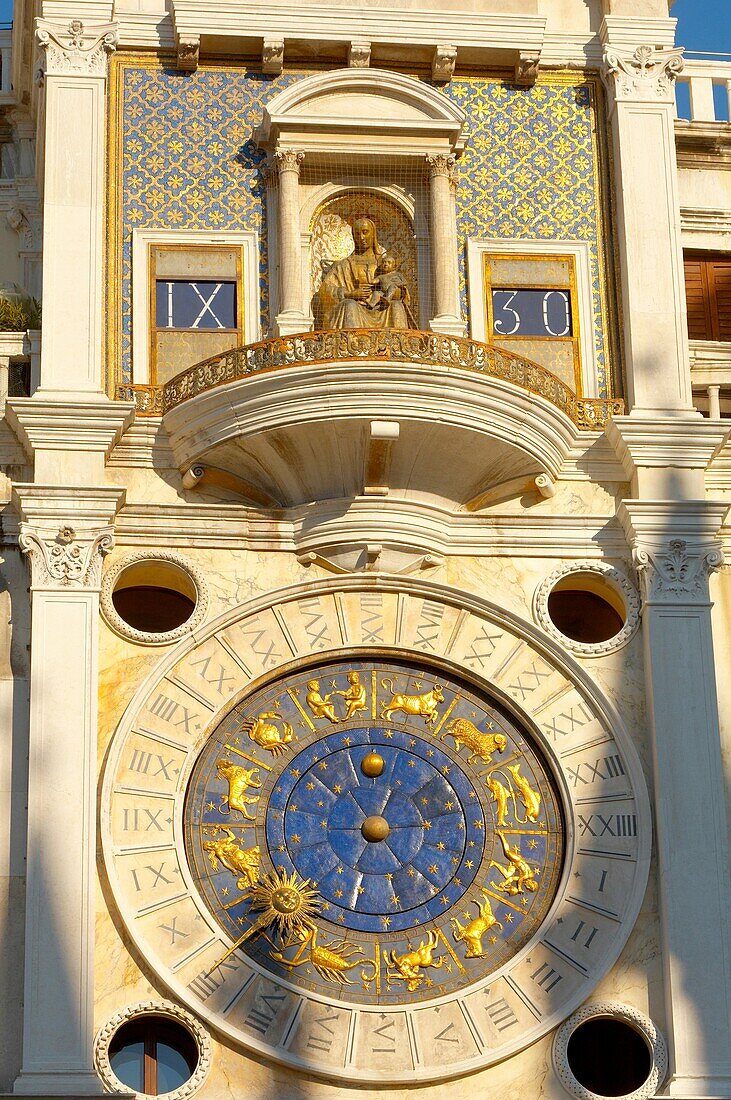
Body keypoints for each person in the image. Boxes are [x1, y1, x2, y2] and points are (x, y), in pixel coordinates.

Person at [318, 217, 416, 330]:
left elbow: (401, 290)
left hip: (381, 306)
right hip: (357, 306)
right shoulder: (345, 264)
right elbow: (326, 290)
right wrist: (350, 294)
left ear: (373, 234)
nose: (361, 238)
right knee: (350, 305)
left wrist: (391, 292)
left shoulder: (385, 262)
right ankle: (353, 343)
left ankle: (399, 343)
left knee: (397, 306)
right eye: (357, 234)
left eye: (365, 232)